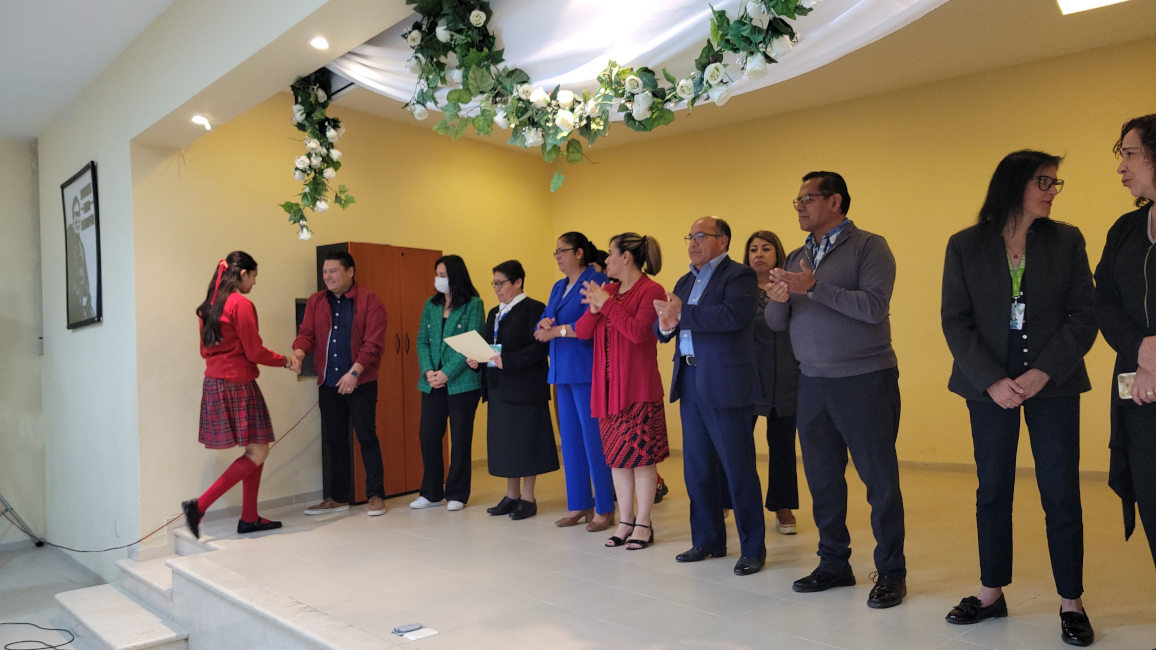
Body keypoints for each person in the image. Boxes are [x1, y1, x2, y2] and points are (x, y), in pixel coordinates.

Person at [941, 151, 1096, 646]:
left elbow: (1084, 315)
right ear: (1014, 184)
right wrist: (990, 380)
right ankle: (991, 592)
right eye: (1044, 182)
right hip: (988, 389)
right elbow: (955, 320)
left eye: (1055, 183)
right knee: (992, 490)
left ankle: (1071, 601)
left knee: (1061, 492)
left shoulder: (1067, 240)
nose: (1053, 191)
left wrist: (1042, 373)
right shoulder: (964, 245)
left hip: (1053, 384)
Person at [765, 171, 907, 608]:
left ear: (835, 201)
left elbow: (873, 308)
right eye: (797, 200)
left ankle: (891, 573)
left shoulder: (869, 246)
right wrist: (779, 300)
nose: (799, 206)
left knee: (879, 481)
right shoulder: (796, 255)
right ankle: (833, 564)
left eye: (807, 198)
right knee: (822, 478)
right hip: (812, 381)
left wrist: (815, 288)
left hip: (865, 379)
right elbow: (776, 323)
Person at [654, 216, 767, 576]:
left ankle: (752, 548)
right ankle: (708, 540)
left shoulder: (739, 276)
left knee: (737, 468)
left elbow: (731, 316)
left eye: (701, 236)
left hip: (725, 383)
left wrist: (681, 313)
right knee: (698, 468)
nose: (693, 242)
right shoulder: (684, 281)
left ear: (724, 241)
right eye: (690, 236)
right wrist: (665, 325)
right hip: (690, 379)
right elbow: (669, 325)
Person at [182, 251, 300, 538]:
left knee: (257, 447)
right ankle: (200, 506)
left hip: (214, 383)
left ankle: (249, 517)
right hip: (237, 383)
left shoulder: (208, 306)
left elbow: (203, 351)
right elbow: (254, 351)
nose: (254, 283)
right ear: (243, 274)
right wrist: (286, 361)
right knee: (258, 450)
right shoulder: (240, 304)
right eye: (254, 277)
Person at [575, 233, 668, 550]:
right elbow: (583, 332)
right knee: (617, 459)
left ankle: (644, 523)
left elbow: (639, 334)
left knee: (642, 460)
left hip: (637, 388)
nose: (606, 261)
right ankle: (625, 521)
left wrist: (607, 305)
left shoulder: (651, 290)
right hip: (607, 390)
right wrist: (595, 307)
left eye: (610, 254)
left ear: (626, 257)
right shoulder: (610, 291)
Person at [1096, 113, 1156, 573]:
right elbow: (1103, 301)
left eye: (1130, 154)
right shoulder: (1125, 230)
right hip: (1138, 393)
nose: (1121, 166)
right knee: (1151, 495)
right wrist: (1141, 348)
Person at [293, 251, 389, 517]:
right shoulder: (316, 301)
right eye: (325, 272)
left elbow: (373, 343)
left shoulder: (369, 299)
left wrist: (354, 373)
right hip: (329, 383)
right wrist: (299, 353)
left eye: (333, 271)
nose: (328, 277)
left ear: (350, 272)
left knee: (366, 437)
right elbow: (307, 334)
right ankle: (338, 498)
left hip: (361, 382)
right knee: (335, 440)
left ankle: (375, 495)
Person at [534, 233, 616, 532]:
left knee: (593, 440)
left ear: (579, 253)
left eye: (562, 251)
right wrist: (544, 323)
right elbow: (547, 317)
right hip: (561, 370)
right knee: (569, 441)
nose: (557, 256)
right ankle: (579, 503)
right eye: (555, 251)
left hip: (585, 370)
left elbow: (586, 326)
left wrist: (555, 331)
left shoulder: (595, 281)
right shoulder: (558, 286)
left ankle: (605, 507)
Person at [467, 260, 559, 520]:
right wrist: (477, 358)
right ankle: (511, 495)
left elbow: (539, 348)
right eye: (494, 283)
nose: (497, 288)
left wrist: (508, 360)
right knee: (507, 444)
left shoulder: (534, 309)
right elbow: (490, 347)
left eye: (501, 283)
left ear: (518, 282)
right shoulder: (494, 313)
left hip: (525, 388)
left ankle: (528, 498)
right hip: (499, 386)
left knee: (527, 442)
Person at [410, 255, 484, 512]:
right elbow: (422, 341)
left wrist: (446, 373)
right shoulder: (431, 305)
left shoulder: (473, 304)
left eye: (443, 275)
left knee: (460, 438)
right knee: (428, 435)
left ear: (455, 276)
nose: (438, 280)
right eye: (437, 275)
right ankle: (431, 492)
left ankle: (457, 492)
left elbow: (472, 342)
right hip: (432, 382)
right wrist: (429, 371)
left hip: (462, 382)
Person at [744, 230, 801, 535]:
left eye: (766, 248)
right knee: (738, 443)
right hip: (747, 377)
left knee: (782, 445)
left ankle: (783, 505)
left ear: (778, 253)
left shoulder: (789, 288)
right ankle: (730, 499)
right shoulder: (737, 288)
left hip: (785, 375)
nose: (759, 254)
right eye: (753, 249)